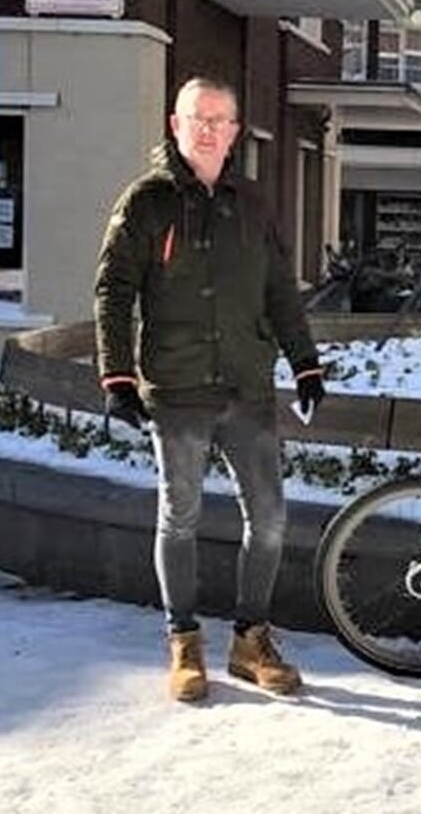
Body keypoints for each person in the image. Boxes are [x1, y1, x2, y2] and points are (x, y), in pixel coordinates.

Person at [94, 77, 327, 703]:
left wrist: (305, 362)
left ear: (233, 131)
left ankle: (251, 641)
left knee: (271, 521)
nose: (207, 129)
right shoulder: (146, 202)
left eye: (219, 120)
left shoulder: (251, 204)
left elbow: (280, 288)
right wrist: (116, 376)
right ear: (176, 124)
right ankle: (184, 640)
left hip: (247, 389)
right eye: (197, 118)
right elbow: (114, 291)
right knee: (180, 518)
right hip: (177, 391)